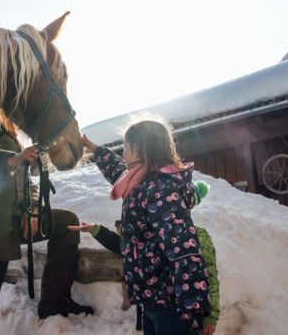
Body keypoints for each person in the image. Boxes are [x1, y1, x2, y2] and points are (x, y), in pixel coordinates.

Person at [0, 111, 93, 335]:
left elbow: (25, 177)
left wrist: (34, 209)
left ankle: (54, 301)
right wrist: (16, 158)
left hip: (14, 220)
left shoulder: (9, 134)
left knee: (65, 223)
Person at [74, 120, 210, 334]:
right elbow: (117, 170)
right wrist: (92, 148)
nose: (124, 151)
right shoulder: (141, 181)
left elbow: (183, 249)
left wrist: (193, 306)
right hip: (151, 297)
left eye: (126, 146)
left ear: (139, 149)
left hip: (169, 302)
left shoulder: (161, 190)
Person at [70, 180, 220, 335]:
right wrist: (97, 230)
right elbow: (127, 248)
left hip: (179, 313)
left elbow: (210, 277)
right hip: (151, 308)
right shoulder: (150, 233)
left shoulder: (197, 236)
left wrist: (211, 316)